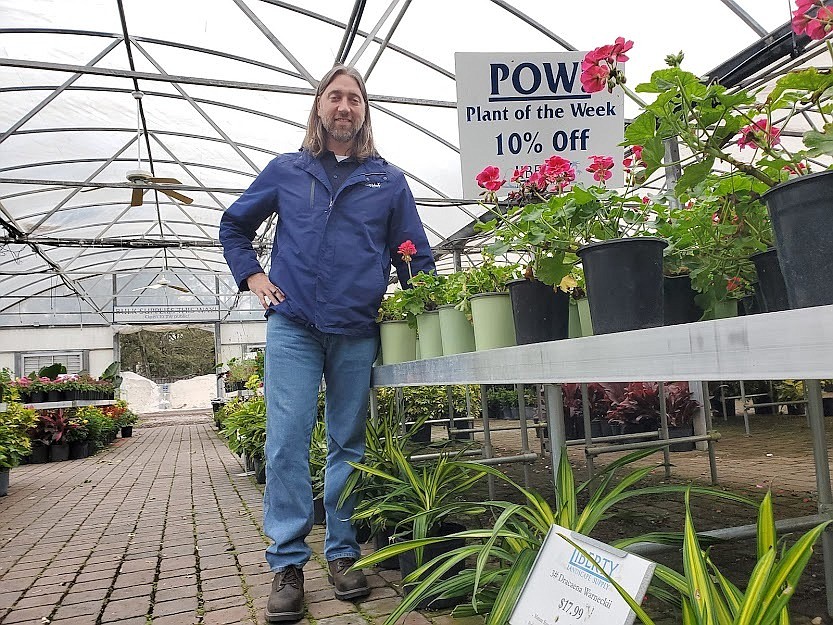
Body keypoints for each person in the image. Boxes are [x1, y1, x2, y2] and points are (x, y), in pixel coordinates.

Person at [219, 64, 435, 623]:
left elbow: (415, 254)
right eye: (334, 97)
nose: (344, 106)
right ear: (319, 107)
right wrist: (252, 276)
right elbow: (234, 225)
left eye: (355, 99)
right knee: (287, 442)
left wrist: (419, 308)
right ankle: (287, 564)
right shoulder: (287, 171)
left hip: (356, 329)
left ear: (365, 112)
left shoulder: (387, 180)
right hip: (293, 324)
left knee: (348, 443)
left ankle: (341, 554)